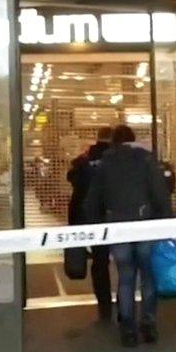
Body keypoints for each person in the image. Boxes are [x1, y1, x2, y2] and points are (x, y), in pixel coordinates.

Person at [85, 125, 172, 347]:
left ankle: (128, 330)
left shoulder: (107, 162)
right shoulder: (146, 159)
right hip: (144, 225)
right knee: (148, 276)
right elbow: (159, 191)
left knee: (125, 278)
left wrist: (93, 227)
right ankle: (149, 324)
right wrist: (166, 219)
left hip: (116, 226)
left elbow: (94, 197)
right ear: (133, 139)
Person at [67, 127, 113, 321]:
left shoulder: (84, 159)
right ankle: (126, 302)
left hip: (90, 217)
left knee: (100, 262)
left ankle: (104, 306)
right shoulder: (117, 159)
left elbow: (73, 180)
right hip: (114, 214)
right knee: (126, 260)